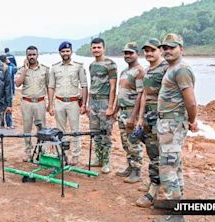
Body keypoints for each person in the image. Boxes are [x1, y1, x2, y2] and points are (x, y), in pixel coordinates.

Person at [152, 33, 198, 222]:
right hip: (167, 124)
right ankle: (176, 207)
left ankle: (176, 216)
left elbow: (191, 101)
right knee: (174, 166)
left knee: (168, 168)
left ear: (181, 48)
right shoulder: (172, 68)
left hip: (172, 124)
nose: (167, 50)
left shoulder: (181, 70)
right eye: (165, 47)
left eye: (172, 47)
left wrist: (193, 120)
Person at [135, 38, 168, 208]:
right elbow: (145, 95)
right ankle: (154, 182)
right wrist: (140, 117)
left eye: (152, 50)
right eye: (146, 51)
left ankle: (154, 190)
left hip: (162, 119)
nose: (148, 53)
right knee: (151, 151)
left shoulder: (166, 69)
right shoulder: (148, 70)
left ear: (160, 50)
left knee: (157, 154)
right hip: (149, 117)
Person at [47, 41, 88, 165]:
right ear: (60, 53)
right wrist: (50, 104)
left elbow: (84, 86)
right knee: (60, 131)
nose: (65, 53)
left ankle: (75, 155)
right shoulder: (54, 68)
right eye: (63, 51)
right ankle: (62, 154)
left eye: (67, 51)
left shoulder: (78, 66)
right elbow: (51, 87)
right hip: (59, 101)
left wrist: (84, 104)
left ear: (71, 52)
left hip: (73, 103)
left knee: (75, 130)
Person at [114, 42, 145, 183]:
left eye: (130, 53)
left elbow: (140, 94)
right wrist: (115, 111)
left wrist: (134, 116)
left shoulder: (139, 72)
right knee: (125, 143)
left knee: (134, 142)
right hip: (122, 112)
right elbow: (120, 94)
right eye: (125, 53)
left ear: (137, 54)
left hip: (132, 112)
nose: (127, 55)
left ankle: (137, 171)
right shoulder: (124, 72)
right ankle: (130, 166)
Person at [15, 46, 50, 162]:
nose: (32, 57)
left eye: (34, 54)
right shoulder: (21, 69)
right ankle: (28, 151)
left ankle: (42, 151)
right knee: (27, 128)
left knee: (42, 129)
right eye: (29, 55)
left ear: (37, 55)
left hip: (40, 102)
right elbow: (17, 84)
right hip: (27, 103)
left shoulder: (44, 69)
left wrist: (50, 103)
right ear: (26, 56)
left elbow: (49, 87)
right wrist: (25, 70)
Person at [88, 38, 117, 174]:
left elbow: (113, 87)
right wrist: (88, 105)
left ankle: (106, 161)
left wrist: (111, 106)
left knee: (106, 133)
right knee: (95, 133)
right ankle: (98, 158)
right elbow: (92, 85)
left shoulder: (110, 64)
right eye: (94, 48)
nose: (96, 50)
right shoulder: (92, 65)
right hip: (93, 102)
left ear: (104, 48)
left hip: (104, 102)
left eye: (99, 47)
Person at [0, 54, 17, 129]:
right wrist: (10, 62)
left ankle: (2, 123)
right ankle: (9, 124)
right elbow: (15, 69)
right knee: (8, 107)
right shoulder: (9, 68)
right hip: (9, 90)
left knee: (1, 108)